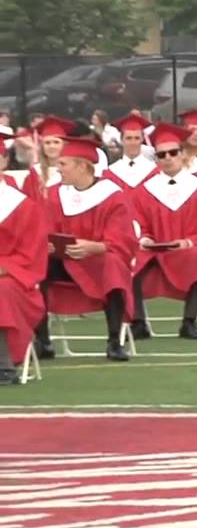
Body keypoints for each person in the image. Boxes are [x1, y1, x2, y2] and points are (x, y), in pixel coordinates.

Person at [35, 136, 139, 362]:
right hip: (64, 260)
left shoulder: (113, 196)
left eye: (64, 164)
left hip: (98, 262)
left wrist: (96, 247)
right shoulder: (55, 195)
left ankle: (114, 342)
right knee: (37, 266)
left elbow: (123, 241)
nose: (58, 169)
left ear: (82, 166)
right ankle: (42, 340)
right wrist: (50, 244)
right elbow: (43, 231)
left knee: (113, 266)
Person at [129, 122, 197, 340]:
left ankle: (189, 322)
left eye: (173, 152)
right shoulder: (144, 192)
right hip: (154, 251)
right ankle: (138, 322)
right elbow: (136, 224)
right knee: (129, 259)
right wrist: (144, 239)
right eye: (161, 155)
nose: (168, 158)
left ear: (183, 154)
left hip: (187, 249)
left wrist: (189, 242)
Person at [0, 173, 49, 384]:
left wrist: (5, 267)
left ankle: (4, 364)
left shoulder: (20, 205)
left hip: (15, 278)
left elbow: (32, 253)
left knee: (1, 290)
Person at [20, 115, 76, 203]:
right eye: (47, 143)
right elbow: (27, 204)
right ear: (42, 146)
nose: (52, 146)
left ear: (64, 145)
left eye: (56, 142)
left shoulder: (73, 171)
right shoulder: (34, 174)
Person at [103, 114, 158, 190]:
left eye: (137, 138)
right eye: (129, 138)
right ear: (121, 140)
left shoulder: (154, 171)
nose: (133, 142)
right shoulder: (111, 172)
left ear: (142, 139)